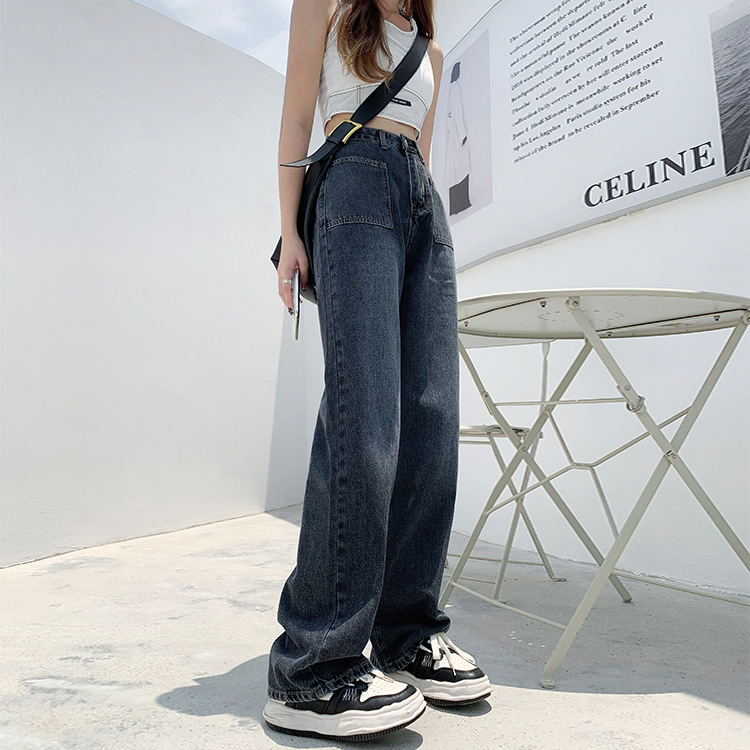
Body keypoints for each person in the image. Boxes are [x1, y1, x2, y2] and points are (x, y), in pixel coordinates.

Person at [263, 0, 491, 741]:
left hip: (420, 205)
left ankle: (407, 635)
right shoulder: (326, 8)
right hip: (352, 184)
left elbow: (420, 154)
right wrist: (290, 232)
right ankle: (312, 667)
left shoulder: (431, 48)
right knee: (364, 417)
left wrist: (425, 217)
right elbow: (298, 119)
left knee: (430, 419)